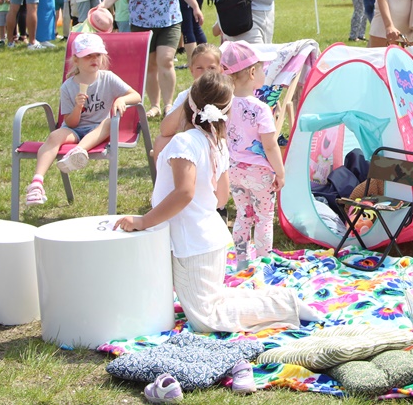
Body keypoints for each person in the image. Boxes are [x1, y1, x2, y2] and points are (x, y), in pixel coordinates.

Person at [113, 70, 321, 336]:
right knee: (214, 299)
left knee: (206, 317)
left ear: (188, 103)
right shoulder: (217, 143)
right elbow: (221, 198)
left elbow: (184, 193)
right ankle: (278, 299)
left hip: (193, 244)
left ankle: (284, 304)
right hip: (210, 238)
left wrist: (144, 220)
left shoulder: (184, 142)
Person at [99, 0, 204, 119]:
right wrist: (104, 5)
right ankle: (154, 105)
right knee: (150, 65)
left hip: (170, 20)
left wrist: (195, 7)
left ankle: (168, 104)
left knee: (166, 60)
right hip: (142, 22)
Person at [25, 33, 142, 207]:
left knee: (109, 123)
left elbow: (136, 96)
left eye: (97, 55)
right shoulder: (68, 86)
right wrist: (78, 107)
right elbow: (71, 122)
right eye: (88, 56)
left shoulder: (107, 78)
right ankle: (37, 184)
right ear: (76, 60)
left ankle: (77, 152)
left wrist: (121, 99)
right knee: (54, 136)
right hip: (74, 129)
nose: (94, 59)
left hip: (98, 129)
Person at [221, 41, 283, 270]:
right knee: (264, 217)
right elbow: (270, 145)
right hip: (260, 172)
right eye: (263, 68)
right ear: (252, 72)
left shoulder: (223, 105)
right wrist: (280, 172)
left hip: (234, 169)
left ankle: (241, 262)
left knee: (243, 215)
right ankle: (264, 263)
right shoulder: (261, 109)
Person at [154, 43, 223, 160]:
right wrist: (191, 98)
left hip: (220, 144)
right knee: (161, 141)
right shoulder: (185, 95)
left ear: (220, 70)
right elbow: (165, 130)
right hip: (192, 144)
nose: (205, 73)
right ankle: (163, 173)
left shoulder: (225, 94)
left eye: (211, 68)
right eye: (199, 68)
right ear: (191, 70)